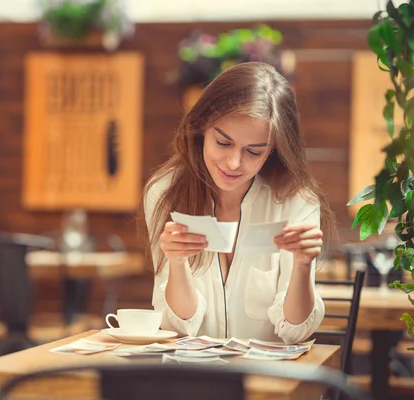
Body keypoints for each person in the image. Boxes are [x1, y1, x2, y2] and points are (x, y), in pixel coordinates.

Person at [140, 62, 335, 344]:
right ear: (202, 128)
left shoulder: (296, 200)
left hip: (269, 379)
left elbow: (297, 331)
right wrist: (177, 262)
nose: (233, 163)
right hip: (195, 375)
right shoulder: (164, 191)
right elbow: (178, 327)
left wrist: (303, 265)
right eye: (223, 143)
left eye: (254, 152)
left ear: (274, 150)